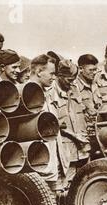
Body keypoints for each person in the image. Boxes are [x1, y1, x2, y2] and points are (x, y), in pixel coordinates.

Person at [51, 59, 91, 189]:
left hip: (82, 149)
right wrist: (74, 135)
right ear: (59, 76)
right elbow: (53, 123)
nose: (72, 83)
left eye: (73, 79)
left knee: (83, 185)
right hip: (65, 151)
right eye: (68, 80)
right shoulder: (51, 93)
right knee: (65, 188)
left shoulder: (74, 89)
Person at [30, 54, 64, 191]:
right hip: (39, 166)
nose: (54, 77)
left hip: (50, 163)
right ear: (39, 72)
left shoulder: (46, 93)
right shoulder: (28, 94)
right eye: (51, 73)